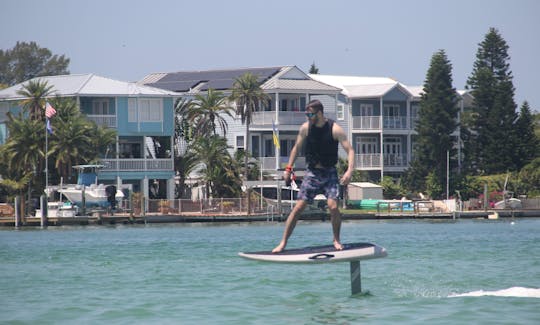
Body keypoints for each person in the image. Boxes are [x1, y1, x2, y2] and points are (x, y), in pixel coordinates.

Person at [272, 99, 355, 253]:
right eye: (306, 114)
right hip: (312, 173)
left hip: (329, 172)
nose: (308, 116)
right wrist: (288, 169)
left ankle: (336, 240)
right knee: (298, 208)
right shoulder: (306, 128)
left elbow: (350, 150)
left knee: (333, 206)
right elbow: (296, 149)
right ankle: (283, 243)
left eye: (310, 114)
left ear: (319, 113)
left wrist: (349, 171)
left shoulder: (334, 129)